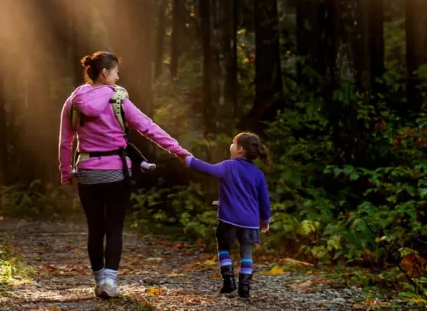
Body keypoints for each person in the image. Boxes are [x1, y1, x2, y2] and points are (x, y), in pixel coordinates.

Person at [58, 51, 191, 299]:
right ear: (105, 72)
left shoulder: (73, 101)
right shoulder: (118, 100)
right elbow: (148, 128)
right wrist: (178, 151)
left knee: (95, 228)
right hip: (116, 172)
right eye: (116, 72)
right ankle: (110, 282)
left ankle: (99, 283)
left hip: (87, 172)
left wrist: (66, 171)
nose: (118, 78)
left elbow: (66, 141)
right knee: (114, 227)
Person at [182, 132, 272, 298]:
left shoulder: (228, 166)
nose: (230, 146)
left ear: (240, 149)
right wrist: (265, 220)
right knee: (247, 254)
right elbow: (264, 201)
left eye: (233, 143)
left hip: (228, 219)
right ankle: (244, 287)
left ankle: (229, 281)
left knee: (223, 247)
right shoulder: (258, 174)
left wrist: (188, 160)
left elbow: (207, 169)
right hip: (250, 222)